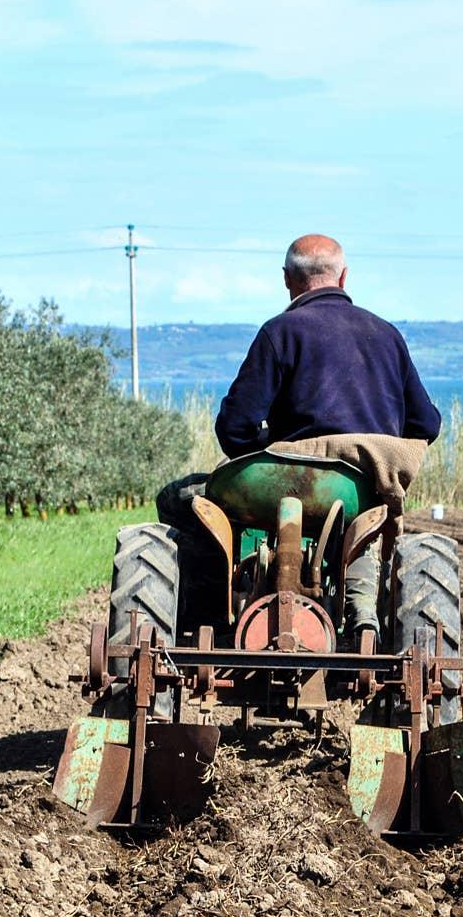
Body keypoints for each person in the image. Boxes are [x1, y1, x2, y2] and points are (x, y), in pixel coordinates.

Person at [157, 233, 441, 639]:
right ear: (344, 278)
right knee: (359, 520)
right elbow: (426, 425)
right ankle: (363, 616)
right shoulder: (387, 335)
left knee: (178, 500)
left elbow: (234, 428)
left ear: (288, 279)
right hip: (357, 489)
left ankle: (208, 624)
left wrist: (274, 449)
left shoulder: (280, 332)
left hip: (278, 488)